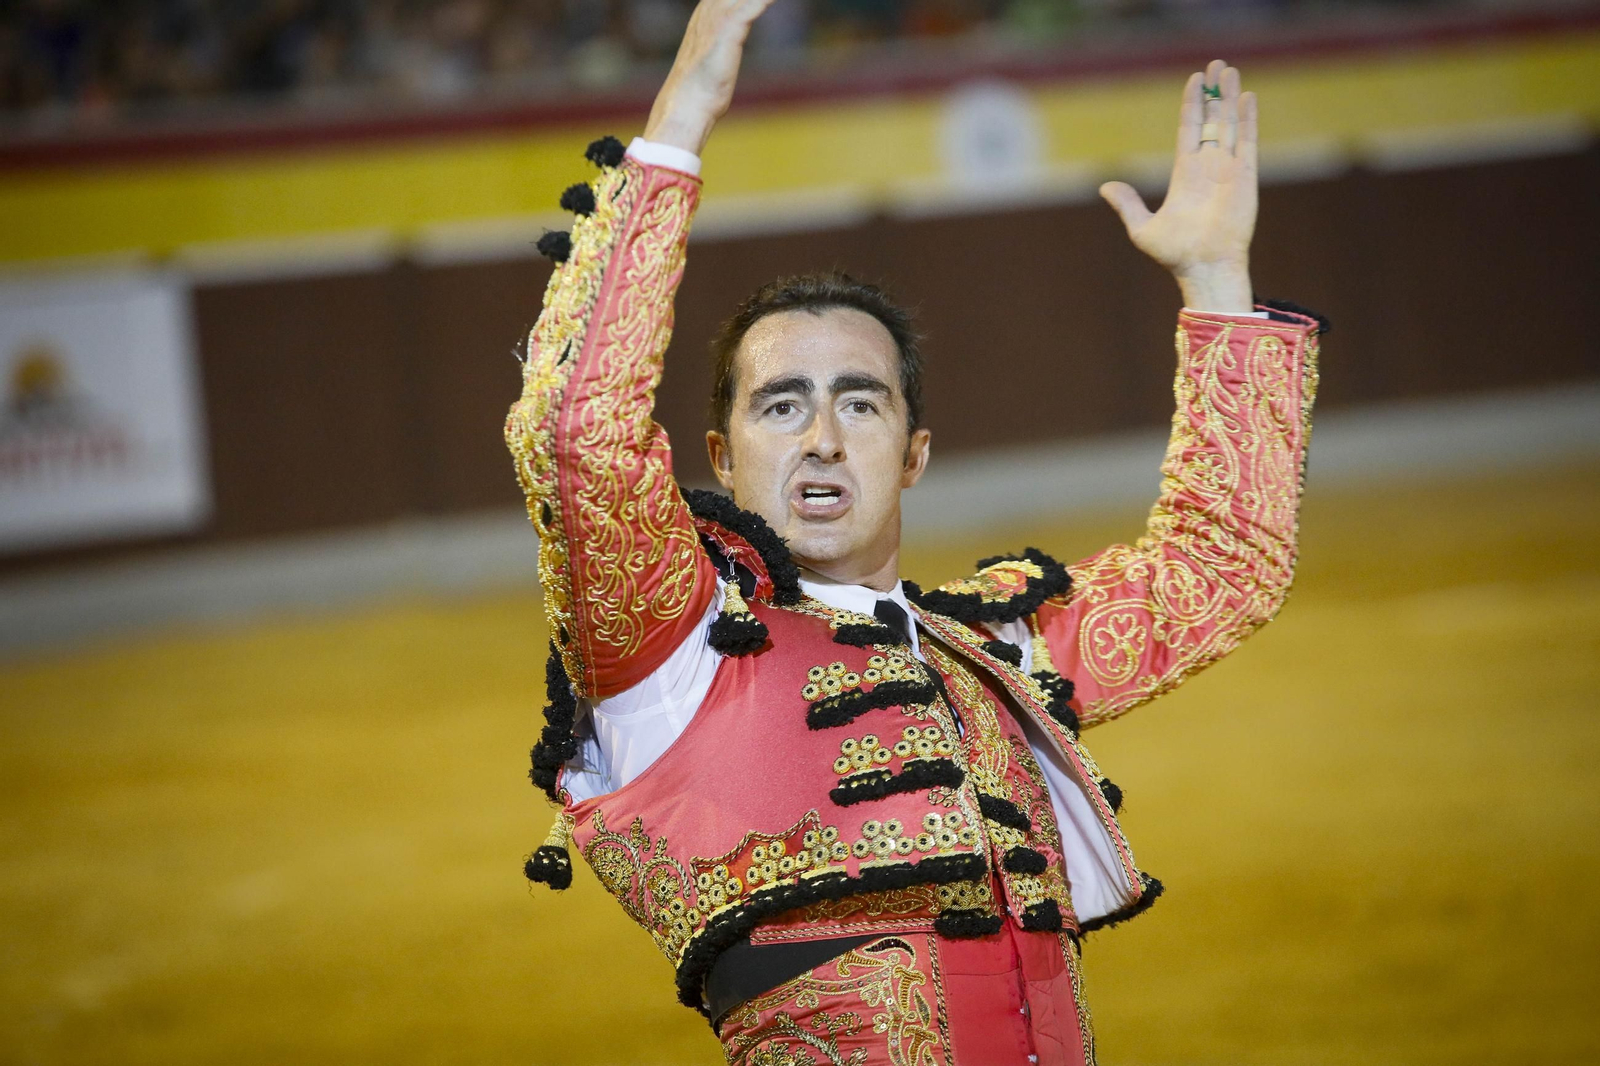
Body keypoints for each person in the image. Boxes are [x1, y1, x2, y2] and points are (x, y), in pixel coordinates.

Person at [504, 0, 1326, 1060]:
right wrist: (681, 117)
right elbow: (575, 430)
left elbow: (1223, 563)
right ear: (720, 456)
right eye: (779, 404)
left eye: (859, 402)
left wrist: (1217, 285)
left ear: (913, 452)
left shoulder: (995, 653)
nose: (821, 439)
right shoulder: (670, 646)